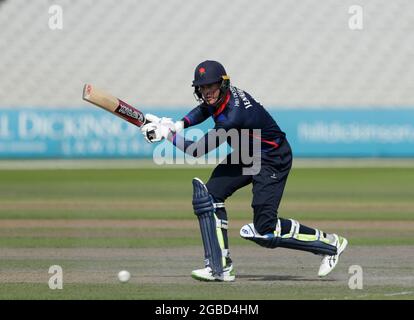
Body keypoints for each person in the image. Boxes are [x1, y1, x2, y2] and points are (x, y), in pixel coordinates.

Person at [140, 60, 348, 282]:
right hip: (247, 153)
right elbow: (204, 109)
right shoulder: (220, 97)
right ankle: (219, 267)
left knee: (265, 231)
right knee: (208, 197)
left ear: (223, 84)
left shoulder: (233, 115)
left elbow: (196, 150)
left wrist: (167, 135)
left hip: (272, 159)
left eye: (211, 86)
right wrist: (178, 125)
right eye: (202, 88)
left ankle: (331, 244)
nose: (207, 92)